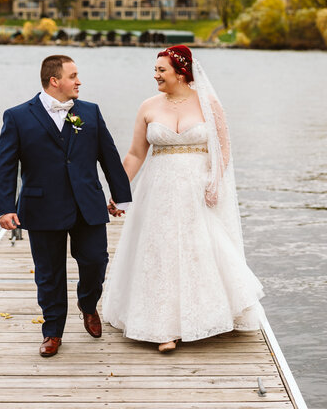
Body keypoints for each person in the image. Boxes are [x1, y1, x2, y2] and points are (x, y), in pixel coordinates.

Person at [103, 45, 264, 353]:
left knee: (199, 250)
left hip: (197, 189)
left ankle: (209, 315)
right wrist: (118, 192)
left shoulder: (209, 103)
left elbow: (224, 149)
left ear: (181, 72)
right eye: (156, 70)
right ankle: (163, 328)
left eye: (162, 70)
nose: (156, 75)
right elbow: (136, 153)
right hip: (158, 191)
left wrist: (215, 182)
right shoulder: (148, 106)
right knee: (160, 251)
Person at [0, 55, 131, 357]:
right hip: (42, 207)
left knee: (96, 261)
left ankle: (87, 304)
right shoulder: (17, 116)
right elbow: (5, 164)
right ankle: (53, 331)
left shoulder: (90, 113)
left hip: (88, 204)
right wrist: (4, 207)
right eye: (73, 76)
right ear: (54, 81)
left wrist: (120, 195)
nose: (79, 81)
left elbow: (108, 155)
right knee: (48, 273)